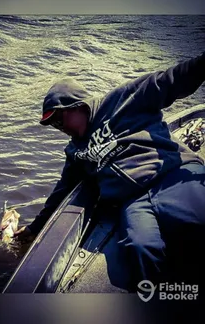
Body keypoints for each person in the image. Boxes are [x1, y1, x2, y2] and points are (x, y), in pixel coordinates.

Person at [14, 51, 205, 292]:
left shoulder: (123, 100)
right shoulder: (74, 151)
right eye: (52, 125)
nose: (58, 128)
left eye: (58, 120)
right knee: (141, 247)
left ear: (77, 105)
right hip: (133, 202)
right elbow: (60, 192)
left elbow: (173, 79)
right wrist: (34, 228)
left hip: (170, 176)